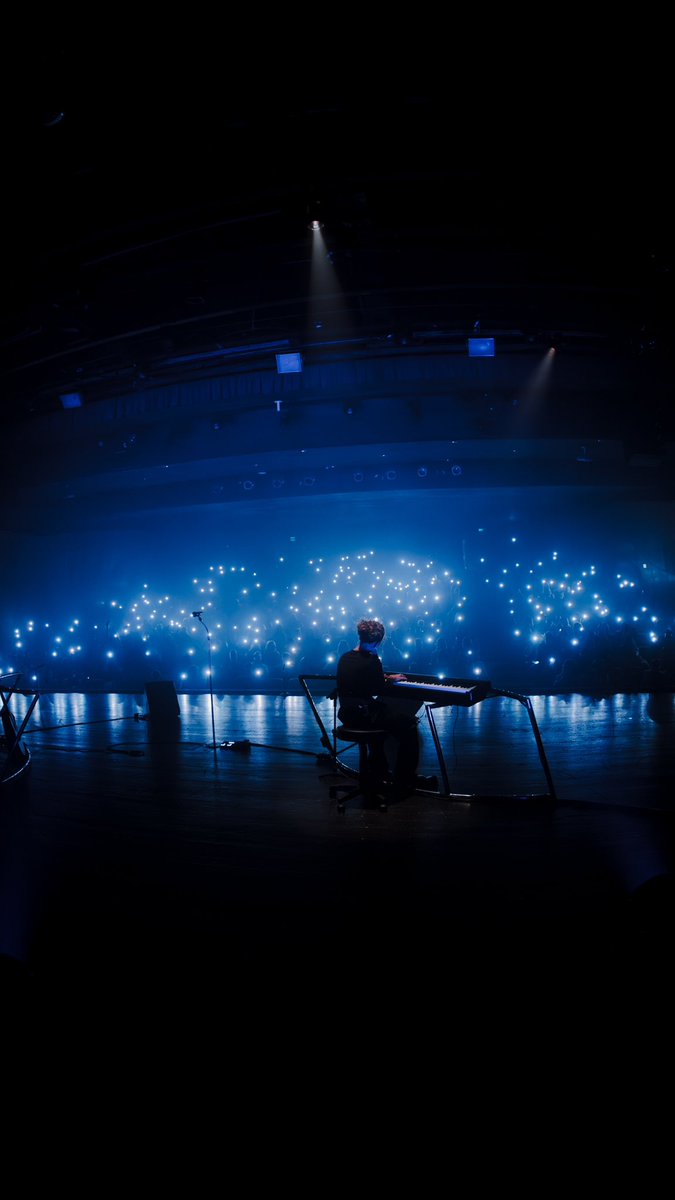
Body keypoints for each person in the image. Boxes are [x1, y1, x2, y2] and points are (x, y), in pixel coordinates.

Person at [336, 617, 438, 799]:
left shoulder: (345, 658)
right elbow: (378, 688)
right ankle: (404, 780)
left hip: (347, 714)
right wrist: (389, 680)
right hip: (364, 715)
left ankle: (380, 771)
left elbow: (361, 680)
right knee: (409, 725)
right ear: (377, 641)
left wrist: (383, 677)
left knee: (384, 720)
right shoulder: (372, 659)